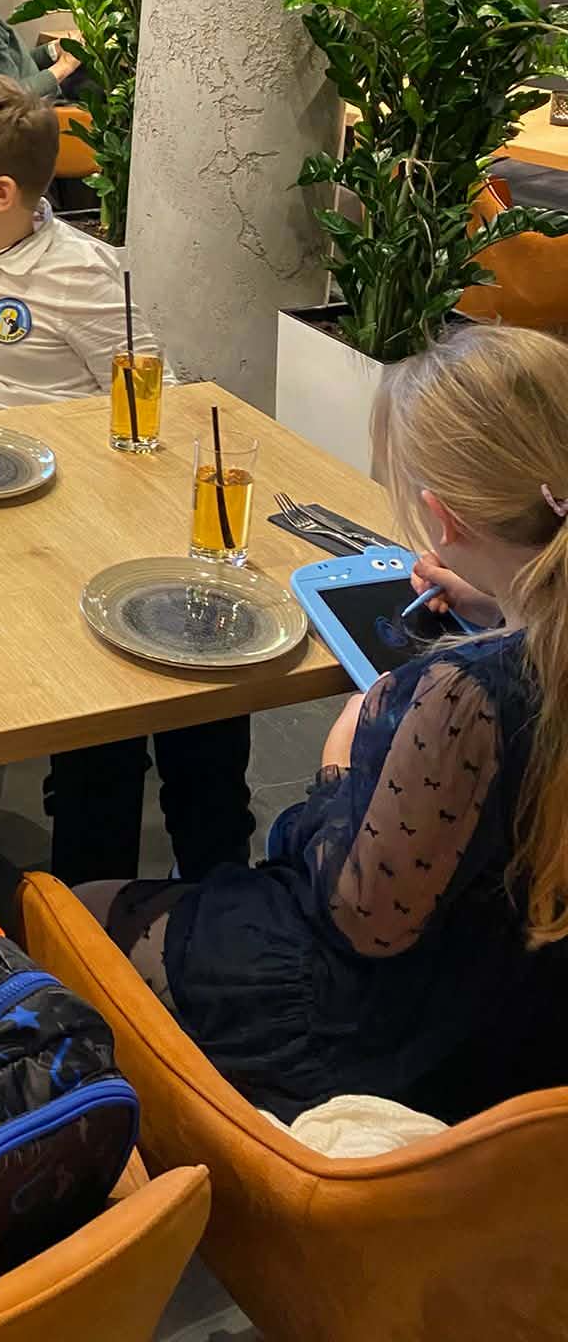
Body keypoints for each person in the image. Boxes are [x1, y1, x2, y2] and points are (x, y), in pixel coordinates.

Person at [82, 323, 568, 1122]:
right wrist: (500, 601)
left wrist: (337, 768)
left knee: (84, 907)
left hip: (418, 1032)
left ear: (442, 519)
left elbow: (366, 922)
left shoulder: (467, 696)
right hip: (531, 997)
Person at [0, 76, 252, 885]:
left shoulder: (80, 276)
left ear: (2, 194)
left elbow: (156, 397)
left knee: (190, 695)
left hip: (77, 515)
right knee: (96, 729)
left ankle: (215, 883)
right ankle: (91, 894)